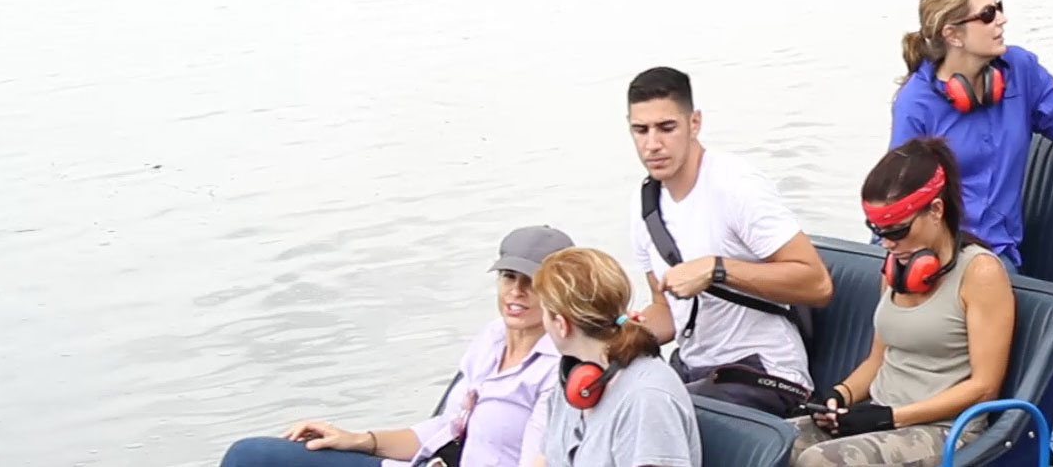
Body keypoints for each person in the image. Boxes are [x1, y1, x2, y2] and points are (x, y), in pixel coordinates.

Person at [219, 225, 576, 467]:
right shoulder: (492, 337)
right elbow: (445, 428)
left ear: (559, 290)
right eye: (508, 278)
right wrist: (361, 440)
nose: (516, 292)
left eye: (532, 282)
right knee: (251, 456)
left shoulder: (556, 369)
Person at [624, 66, 834, 417]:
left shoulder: (736, 187)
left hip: (764, 373)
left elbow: (817, 283)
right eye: (640, 130)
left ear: (695, 123)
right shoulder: (644, 205)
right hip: (694, 369)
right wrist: (618, 337)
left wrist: (716, 269)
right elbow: (666, 311)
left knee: (658, 415)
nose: (652, 144)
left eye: (666, 128)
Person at [793, 138, 1016, 467]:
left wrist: (890, 417)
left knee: (819, 461)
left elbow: (984, 387)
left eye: (897, 231)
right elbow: (878, 360)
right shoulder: (895, 268)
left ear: (937, 210)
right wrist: (840, 396)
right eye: (879, 231)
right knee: (773, 442)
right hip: (882, 417)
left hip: (946, 431)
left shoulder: (981, 273)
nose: (888, 243)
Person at [890, 0, 1053, 270]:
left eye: (999, 8)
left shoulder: (1020, 68)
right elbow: (901, 196)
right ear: (952, 34)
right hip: (934, 254)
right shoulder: (915, 103)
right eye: (988, 14)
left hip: (996, 254)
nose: (1001, 20)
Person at [533, 247, 701, 467]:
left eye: (544, 311)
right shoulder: (571, 381)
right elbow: (543, 461)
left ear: (561, 325)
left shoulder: (647, 398)